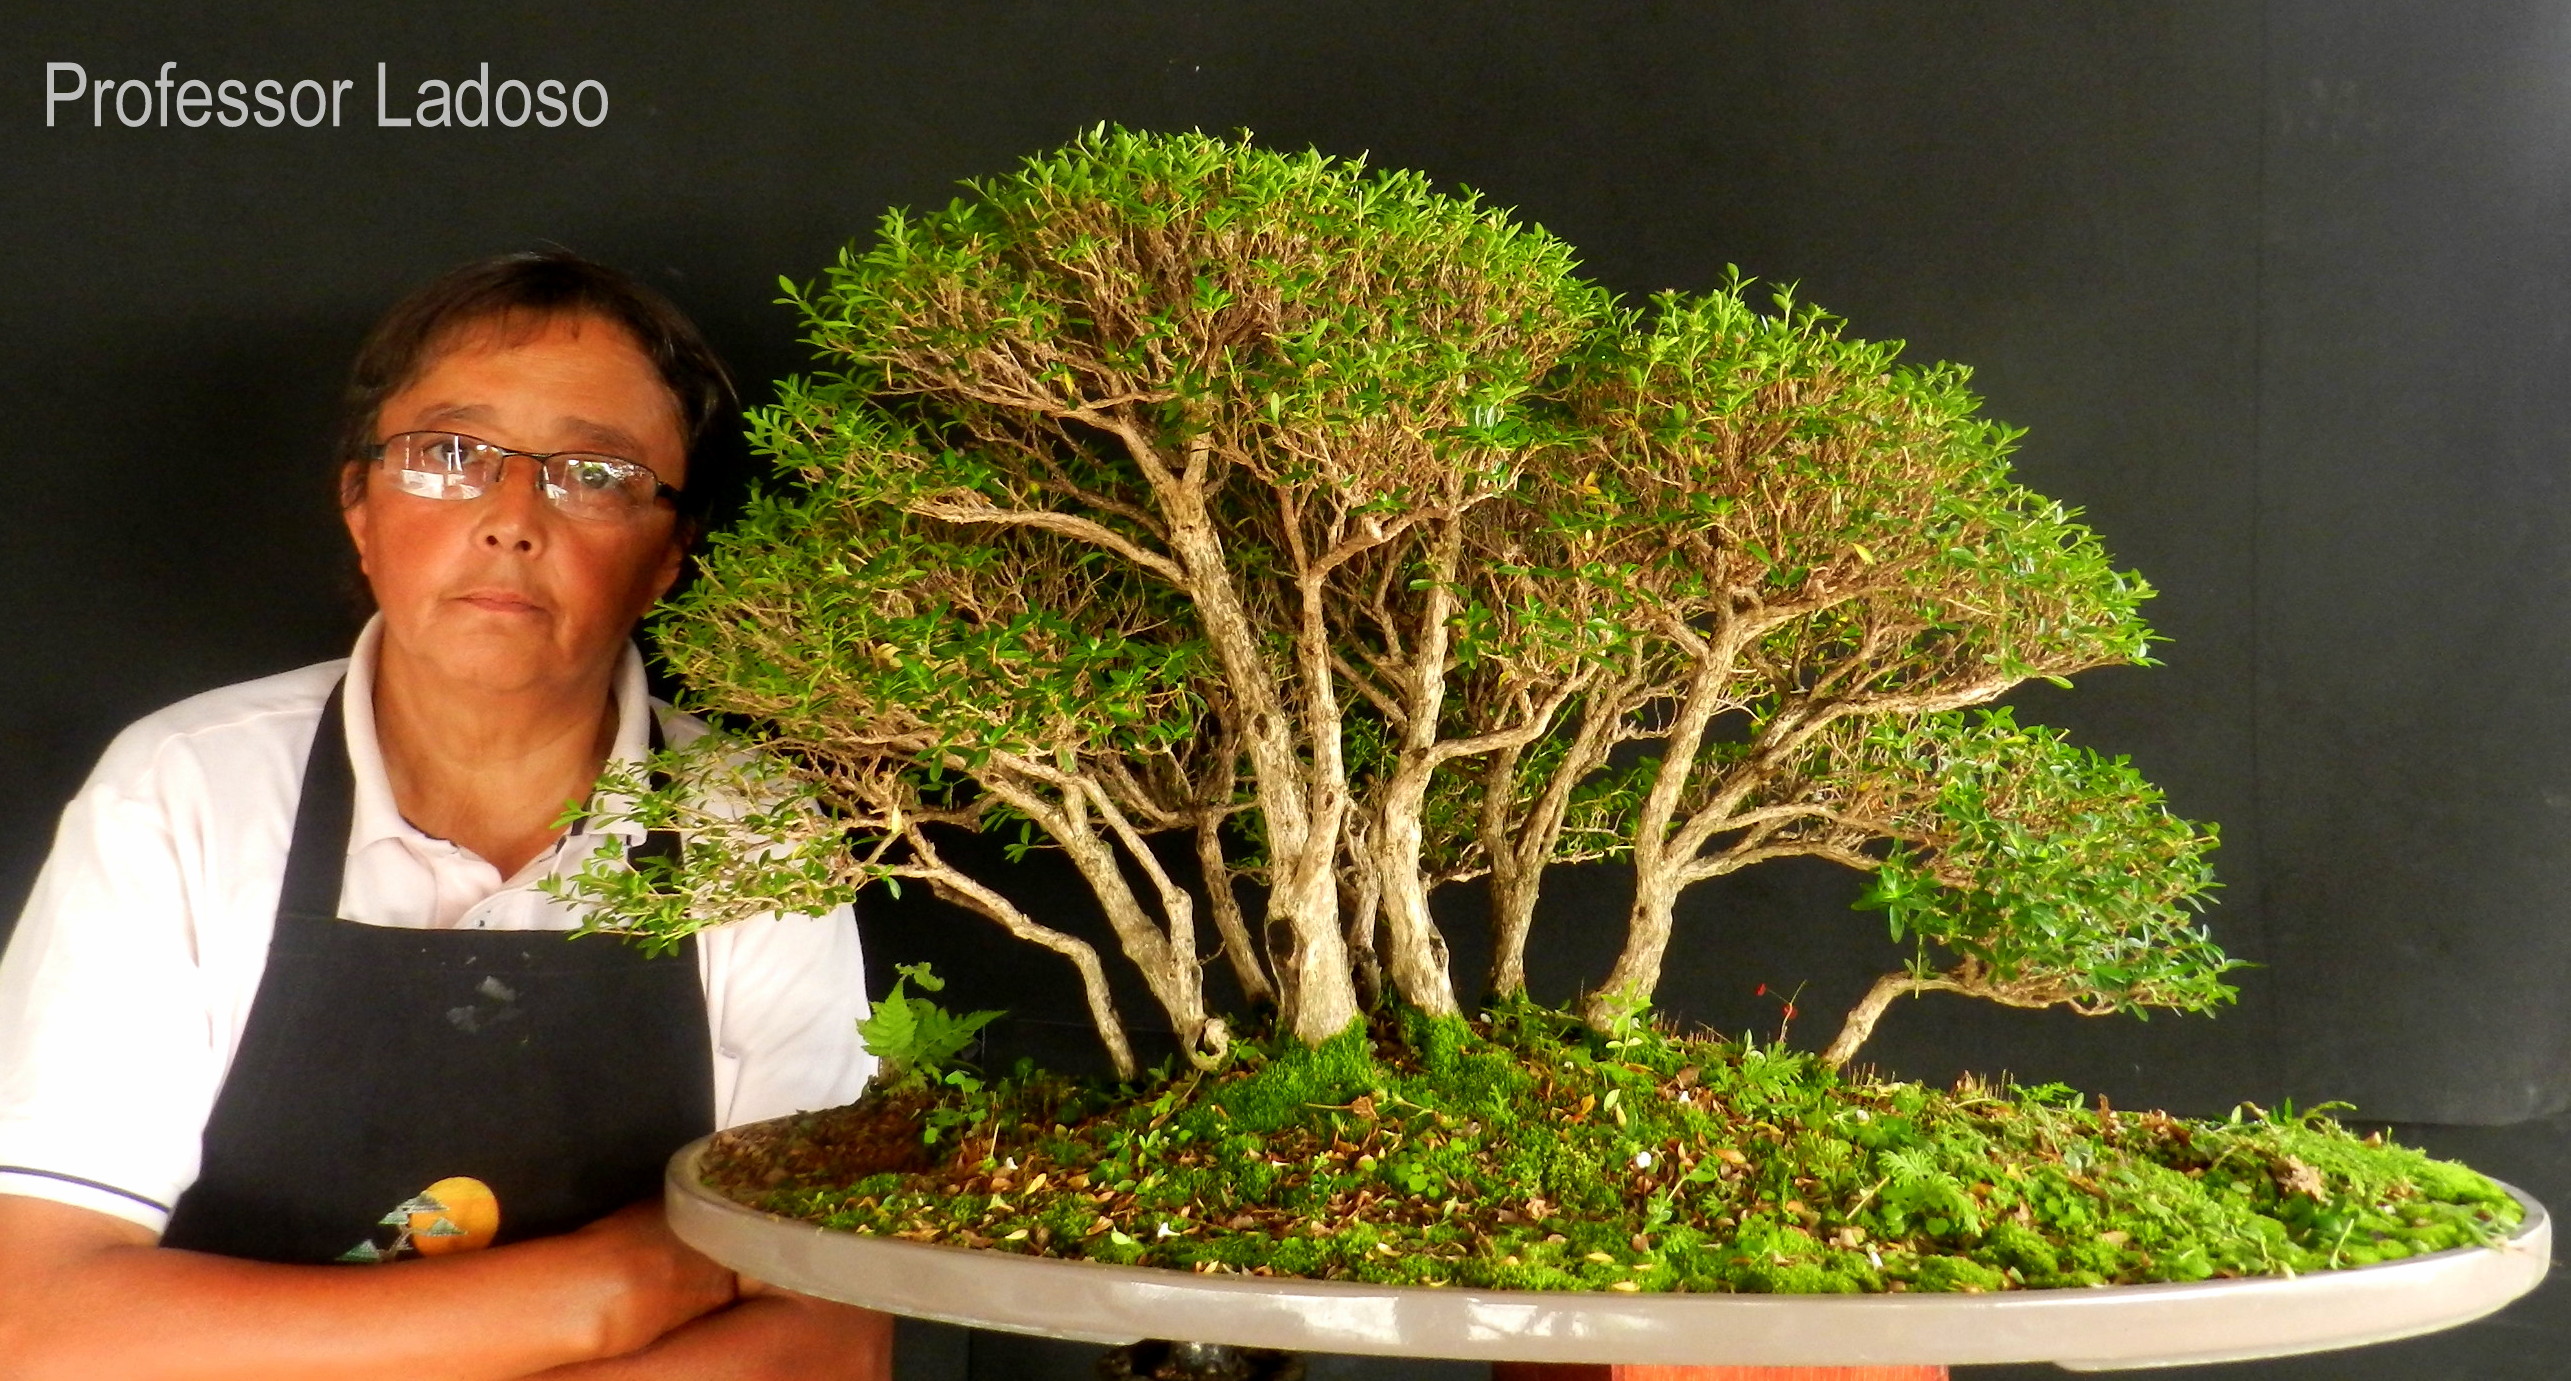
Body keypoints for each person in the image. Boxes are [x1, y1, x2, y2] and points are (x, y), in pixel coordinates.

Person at [0, 251, 895, 1379]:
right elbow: (38, 1320)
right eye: (450, 455)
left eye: (597, 473)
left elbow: (829, 1338)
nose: (511, 518)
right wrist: (608, 1290)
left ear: (669, 556)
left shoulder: (753, 829)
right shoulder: (186, 793)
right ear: (359, 505)